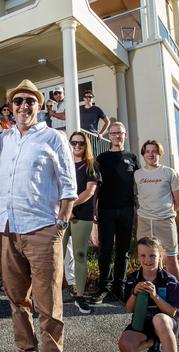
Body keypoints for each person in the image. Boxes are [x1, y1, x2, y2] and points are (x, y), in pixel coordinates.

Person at [0, 79, 77, 352]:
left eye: (29, 101)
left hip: (43, 229)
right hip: (8, 230)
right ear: (11, 107)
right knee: (17, 301)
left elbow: (69, 187)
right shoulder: (4, 138)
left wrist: (61, 224)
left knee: (49, 304)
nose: (23, 106)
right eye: (17, 101)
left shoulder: (54, 138)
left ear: (39, 106)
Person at [135, 140, 179, 319]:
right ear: (143, 154)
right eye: (147, 151)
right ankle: (150, 299)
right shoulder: (137, 174)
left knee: (171, 261)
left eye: (154, 152)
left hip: (165, 221)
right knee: (147, 261)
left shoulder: (169, 173)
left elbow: (178, 199)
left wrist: (167, 214)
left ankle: (178, 302)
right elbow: (137, 196)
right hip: (144, 221)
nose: (151, 154)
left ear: (160, 154)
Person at [93, 122, 139, 303]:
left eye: (120, 133)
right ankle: (104, 287)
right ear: (109, 136)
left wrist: (137, 209)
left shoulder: (132, 158)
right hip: (106, 209)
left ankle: (120, 288)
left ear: (125, 135)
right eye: (113, 133)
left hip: (127, 209)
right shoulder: (102, 158)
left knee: (123, 251)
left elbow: (137, 186)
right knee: (105, 250)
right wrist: (94, 208)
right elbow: (96, 186)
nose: (117, 136)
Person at [118, 237, 179, 352]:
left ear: (161, 256)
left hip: (166, 323)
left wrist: (155, 296)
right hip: (142, 322)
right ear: (138, 256)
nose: (147, 260)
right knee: (125, 347)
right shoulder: (132, 279)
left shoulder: (169, 280)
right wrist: (135, 293)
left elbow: (172, 311)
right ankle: (154, 342)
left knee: (159, 319)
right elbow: (129, 309)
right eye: (143, 255)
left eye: (152, 255)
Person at [62, 131, 100, 314]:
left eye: (81, 143)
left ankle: (79, 294)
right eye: (73, 143)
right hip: (60, 216)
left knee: (79, 255)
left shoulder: (91, 166)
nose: (77, 146)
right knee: (54, 255)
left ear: (86, 146)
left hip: (81, 216)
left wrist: (69, 206)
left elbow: (89, 192)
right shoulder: (62, 163)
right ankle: (49, 294)